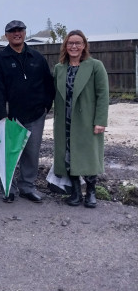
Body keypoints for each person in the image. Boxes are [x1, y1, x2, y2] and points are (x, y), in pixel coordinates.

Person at [0, 20, 56, 203]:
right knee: (10, 154)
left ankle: (27, 186)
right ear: (6, 35)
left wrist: (45, 106)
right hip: (11, 116)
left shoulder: (37, 57)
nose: (16, 33)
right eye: (12, 31)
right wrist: (2, 114)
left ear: (25, 33)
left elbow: (48, 84)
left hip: (35, 114)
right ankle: (8, 188)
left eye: (20, 30)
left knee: (31, 153)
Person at [53, 30, 109, 208]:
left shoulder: (95, 66)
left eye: (78, 43)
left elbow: (103, 95)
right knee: (68, 156)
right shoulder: (59, 68)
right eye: (70, 43)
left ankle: (91, 192)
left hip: (87, 120)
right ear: (65, 46)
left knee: (89, 155)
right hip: (65, 120)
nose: (74, 46)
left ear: (84, 45)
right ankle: (76, 192)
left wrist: (100, 120)